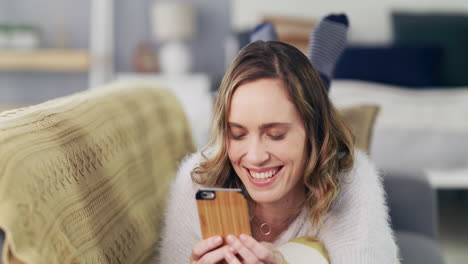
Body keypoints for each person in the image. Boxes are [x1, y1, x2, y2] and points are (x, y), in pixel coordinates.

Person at [157, 18, 398, 264]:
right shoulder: (197, 179)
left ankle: (317, 74)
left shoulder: (349, 178)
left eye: (276, 135)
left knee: (314, 102)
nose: (254, 156)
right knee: (285, 91)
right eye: (238, 134)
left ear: (313, 134)